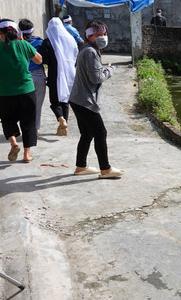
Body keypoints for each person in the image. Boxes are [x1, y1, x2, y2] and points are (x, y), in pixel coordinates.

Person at [69, 20, 124, 179]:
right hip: (84, 100)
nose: (103, 37)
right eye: (98, 34)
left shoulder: (87, 49)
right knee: (100, 133)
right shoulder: (91, 52)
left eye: (104, 34)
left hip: (78, 99)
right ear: (89, 36)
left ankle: (81, 166)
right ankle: (105, 169)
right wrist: (110, 69)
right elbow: (96, 78)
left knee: (87, 134)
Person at [0, 19, 42, 162]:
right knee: (28, 122)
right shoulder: (24, 45)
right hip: (26, 91)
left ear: (0, 32)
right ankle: (27, 154)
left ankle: (14, 143)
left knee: (7, 120)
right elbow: (39, 60)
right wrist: (23, 43)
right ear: (16, 32)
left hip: (5, 93)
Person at [40, 17, 78, 136]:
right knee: (65, 99)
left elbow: (43, 59)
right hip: (70, 73)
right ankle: (64, 126)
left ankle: (61, 119)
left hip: (54, 74)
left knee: (55, 100)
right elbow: (76, 54)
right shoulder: (70, 39)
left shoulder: (48, 42)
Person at [18, 19, 47, 134]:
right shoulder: (40, 42)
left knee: (24, 106)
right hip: (39, 75)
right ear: (32, 30)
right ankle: (36, 128)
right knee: (37, 105)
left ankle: (26, 129)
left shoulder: (16, 44)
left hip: (23, 77)